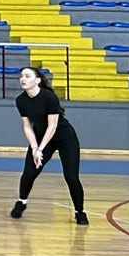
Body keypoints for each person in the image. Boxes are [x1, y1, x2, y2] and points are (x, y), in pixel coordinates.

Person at [12, 65, 87, 225]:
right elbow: (27, 126)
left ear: (37, 80)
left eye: (27, 76)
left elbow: (52, 126)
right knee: (29, 173)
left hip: (64, 137)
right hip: (40, 137)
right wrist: (34, 148)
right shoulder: (21, 100)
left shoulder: (49, 97)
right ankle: (21, 202)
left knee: (71, 177)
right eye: (21, 76)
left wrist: (40, 149)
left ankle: (79, 212)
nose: (23, 79)